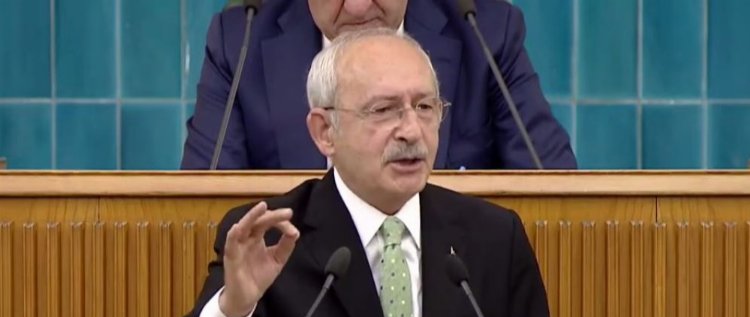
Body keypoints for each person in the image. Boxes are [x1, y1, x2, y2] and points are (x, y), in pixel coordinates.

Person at [166, 29, 592, 317]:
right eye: (384, 110)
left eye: (425, 107)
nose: (411, 130)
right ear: (325, 131)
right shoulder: (274, 236)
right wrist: (234, 308)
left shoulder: (491, 240)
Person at [180, 0, 577, 170]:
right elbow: (202, 206)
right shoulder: (241, 42)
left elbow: (555, 192)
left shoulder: (482, 31)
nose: (356, 7)